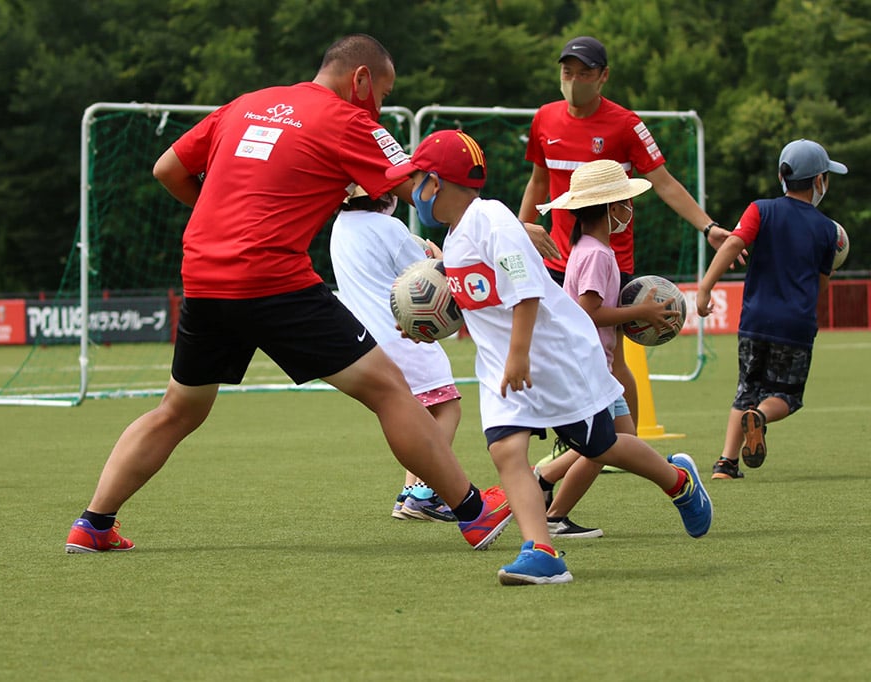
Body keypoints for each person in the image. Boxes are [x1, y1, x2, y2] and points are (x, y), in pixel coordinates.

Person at [64, 34, 512, 554]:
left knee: (177, 409)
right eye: (383, 95)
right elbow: (426, 196)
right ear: (360, 79)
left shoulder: (245, 104)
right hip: (273, 280)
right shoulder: (352, 122)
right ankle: (474, 513)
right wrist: (504, 228)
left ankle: (93, 524)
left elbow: (168, 169)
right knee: (390, 390)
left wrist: (226, 223)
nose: (381, 108)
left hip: (206, 277)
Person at [386, 129, 712, 585]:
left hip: (556, 357)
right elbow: (480, 306)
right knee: (505, 450)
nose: (411, 191)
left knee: (600, 444)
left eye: (416, 179)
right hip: (505, 367)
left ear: (436, 183)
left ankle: (678, 482)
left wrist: (520, 354)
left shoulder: (492, 220)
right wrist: (425, 327)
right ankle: (540, 551)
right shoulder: (457, 238)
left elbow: (525, 289)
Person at [517, 35, 735, 426]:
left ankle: (629, 443)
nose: (574, 80)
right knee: (555, 352)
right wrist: (521, 232)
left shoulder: (626, 125)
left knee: (610, 357)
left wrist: (708, 227)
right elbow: (537, 180)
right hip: (556, 256)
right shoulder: (544, 119)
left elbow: (664, 182)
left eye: (585, 73)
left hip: (608, 259)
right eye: (568, 72)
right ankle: (583, 438)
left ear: (603, 77)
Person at [534, 160, 683, 538]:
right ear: (612, 209)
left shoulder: (589, 247)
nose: (629, 211)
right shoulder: (598, 254)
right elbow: (589, 312)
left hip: (593, 365)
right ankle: (553, 517)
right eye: (625, 203)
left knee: (616, 443)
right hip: (589, 367)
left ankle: (548, 483)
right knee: (610, 446)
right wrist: (644, 311)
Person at [697, 139, 846, 480]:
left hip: (754, 320)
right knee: (786, 395)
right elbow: (820, 286)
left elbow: (734, 243)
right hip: (795, 325)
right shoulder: (827, 229)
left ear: (782, 175)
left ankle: (726, 463)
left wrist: (706, 288)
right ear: (819, 181)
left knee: (745, 389)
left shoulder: (760, 209)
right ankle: (761, 417)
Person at [330, 185, 461, 523]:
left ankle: (411, 490)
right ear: (385, 195)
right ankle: (427, 492)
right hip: (403, 334)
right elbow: (428, 279)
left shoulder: (341, 225)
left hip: (368, 341)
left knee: (412, 413)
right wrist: (440, 260)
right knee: (448, 408)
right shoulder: (389, 228)